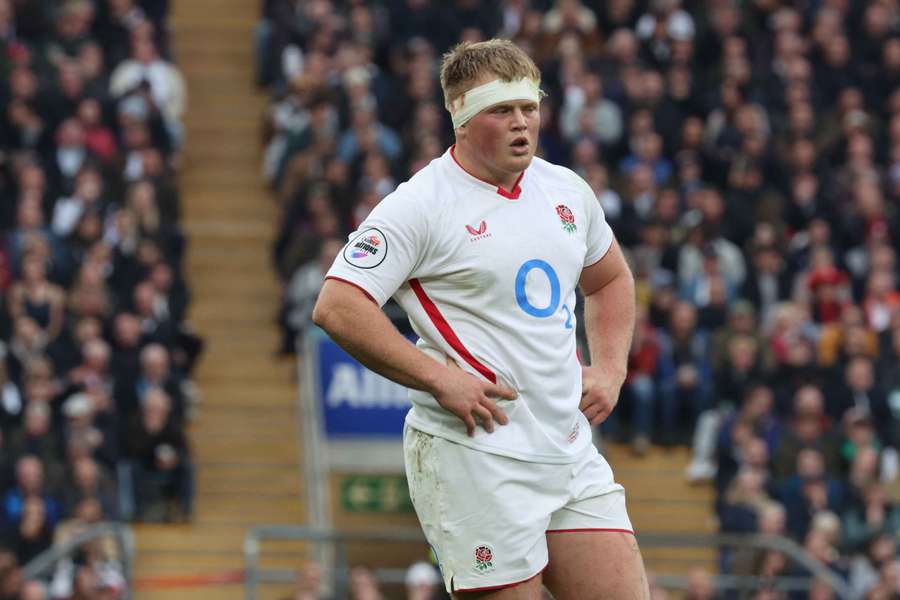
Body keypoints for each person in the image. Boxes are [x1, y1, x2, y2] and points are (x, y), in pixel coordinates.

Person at [313, 39, 648, 599]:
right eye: (502, 110)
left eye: (529, 108)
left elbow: (610, 279)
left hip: (567, 449)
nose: (522, 123)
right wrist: (439, 379)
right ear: (462, 119)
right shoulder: (420, 205)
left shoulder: (566, 190)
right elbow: (338, 305)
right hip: (477, 456)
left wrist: (610, 368)